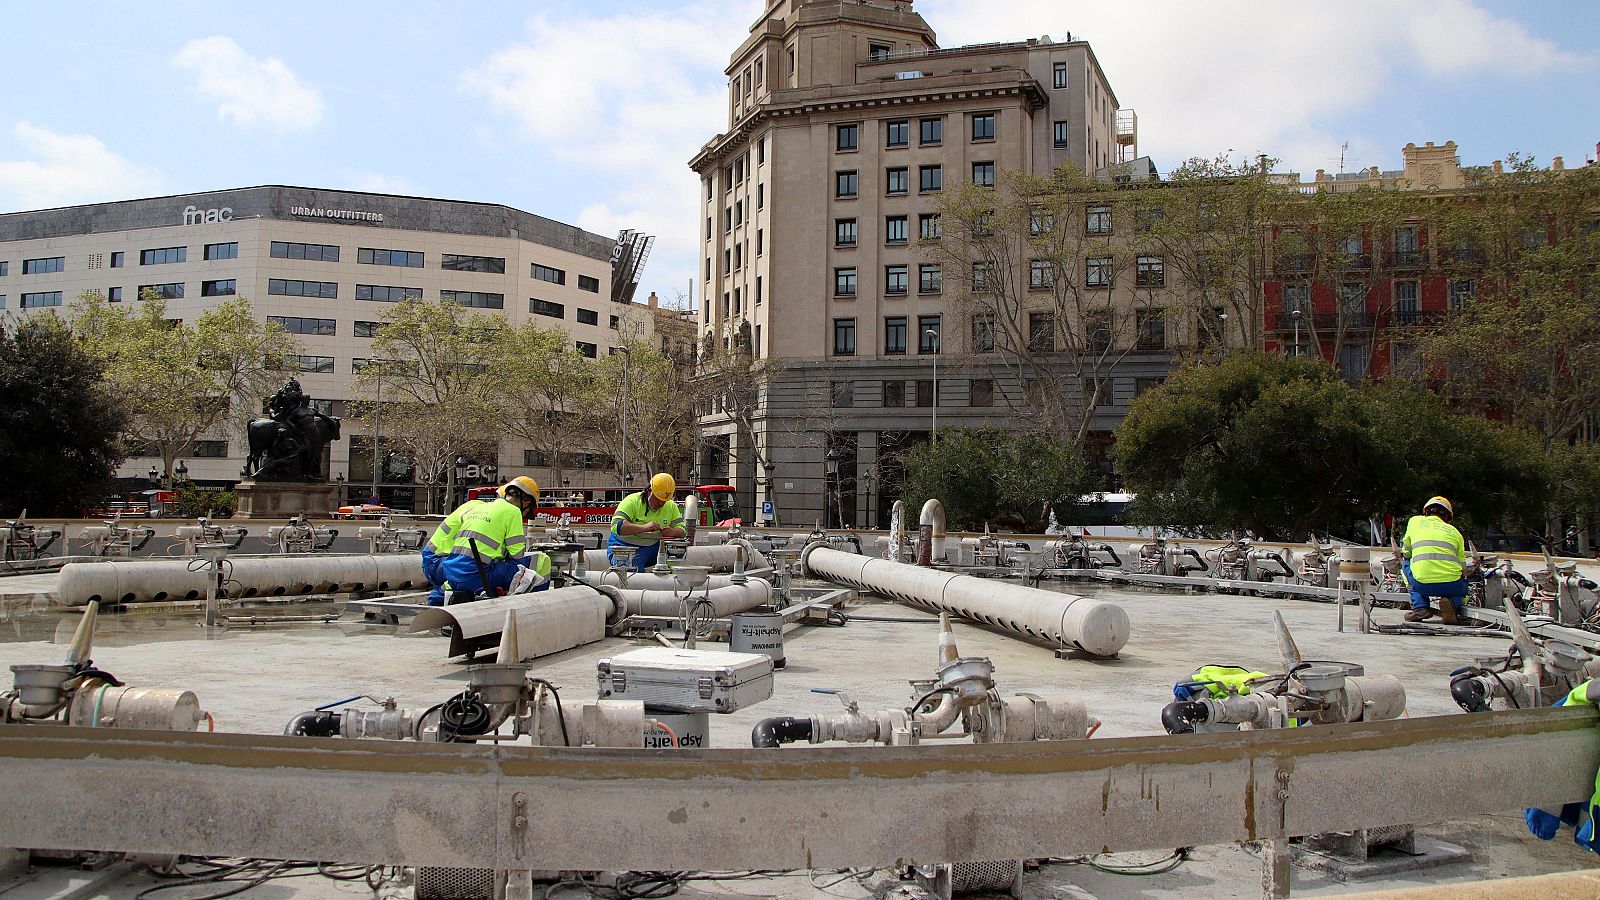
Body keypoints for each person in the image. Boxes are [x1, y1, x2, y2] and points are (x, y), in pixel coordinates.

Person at [438, 476, 549, 604]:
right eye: (526, 513)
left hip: (453, 574)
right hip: (478, 576)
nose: (523, 516)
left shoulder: (481, 507)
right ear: (526, 503)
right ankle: (537, 604)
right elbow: (517, 556)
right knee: (541, 560)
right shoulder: (513, 511)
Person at [1402, 495, 1469, 624]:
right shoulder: (1455, 532)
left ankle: (1420, 607)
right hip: (1451, 585)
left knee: (1405, 564)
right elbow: (1463, 567)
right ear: (1448, 516)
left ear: (1426, 512)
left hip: (1422, 585)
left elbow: (1406, 551)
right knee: (1462, 587)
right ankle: (1452, 603)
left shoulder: (1415, 522)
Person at [422, 491, 493, 606]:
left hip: (435, 558)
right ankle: (437, 600)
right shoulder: (480, 513)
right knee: (466, 572)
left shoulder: (475, 507)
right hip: (437, 560)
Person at [607, 473, 687, 571]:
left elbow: (683, 531)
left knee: (677, 551)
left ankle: (669, 574)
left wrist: (673, 532)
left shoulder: (670, 506)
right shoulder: (632, 501)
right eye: (658, 499)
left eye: (664, 501)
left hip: (652, 547)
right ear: (649, 491)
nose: (661, 503)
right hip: (624, 546)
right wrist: (645, 527)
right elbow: (616, 526)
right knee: (630, 571)